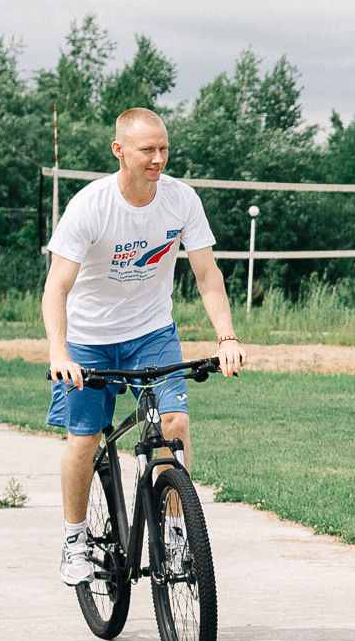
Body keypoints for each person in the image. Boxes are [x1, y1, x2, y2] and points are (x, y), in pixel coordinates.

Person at [43, 107, 246, 586]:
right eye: (147, 150)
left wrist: (227, 337)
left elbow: (206, 274)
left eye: (164, 149)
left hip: (152, 334)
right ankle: (75, 538)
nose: (158, 159)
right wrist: (59, 352)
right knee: (84, 438)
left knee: (173, 424)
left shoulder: (181, 201)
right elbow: (57, 288)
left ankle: (176, 534)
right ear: (119, 151)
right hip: (89, 341)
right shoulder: (90, 206)